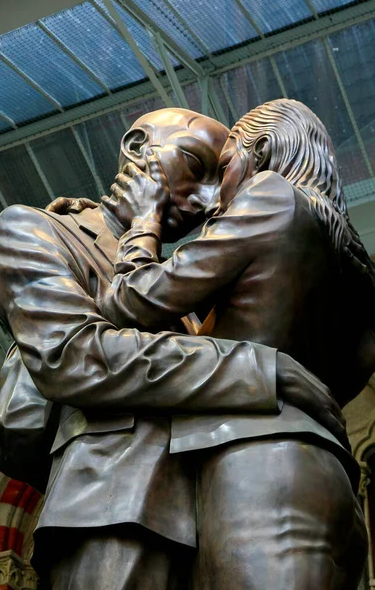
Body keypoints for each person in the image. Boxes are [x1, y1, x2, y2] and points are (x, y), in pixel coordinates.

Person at [0, 107, 349, 590]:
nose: (205, 202)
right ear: (137, 149)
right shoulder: (35, 231)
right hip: (115, 512)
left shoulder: (187, 286)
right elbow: (74, 357)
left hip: (223, 509)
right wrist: (261, 371)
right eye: (197, 168)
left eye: (218, 184)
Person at [98, 99, 374, 589]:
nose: (217, 198)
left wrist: (144, 224)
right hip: (329, 475)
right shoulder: (355, 261)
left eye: (224, 167)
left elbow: (130, 302)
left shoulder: (270, 193)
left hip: (257, 470)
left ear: (261, 150)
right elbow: (350, 374)